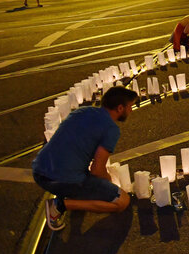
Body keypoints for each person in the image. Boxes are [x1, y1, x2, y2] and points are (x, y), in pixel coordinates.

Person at [32, 86, 138, 231]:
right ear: (120, 108)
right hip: (61, 179)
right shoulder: (111, 129)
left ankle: (69, 196)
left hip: (39, 170)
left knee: (86, 178)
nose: (131, 110)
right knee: (122, 201)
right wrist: (109, 184)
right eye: (130, 106)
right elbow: (97, 170)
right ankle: (59, 205)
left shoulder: (82, 111)